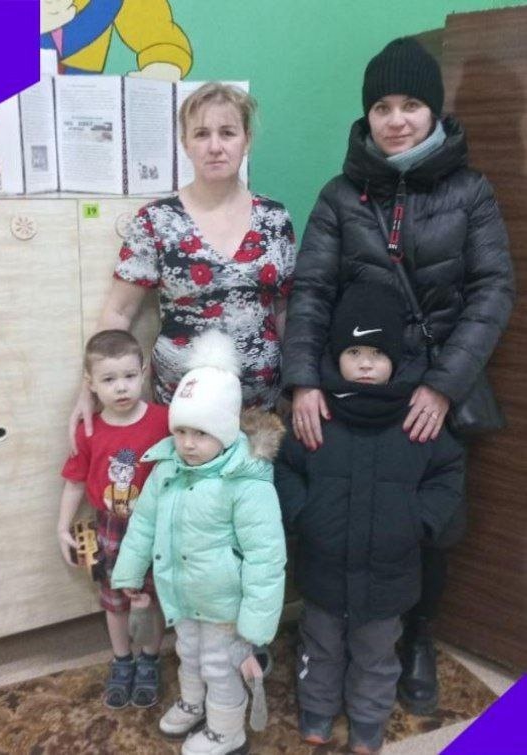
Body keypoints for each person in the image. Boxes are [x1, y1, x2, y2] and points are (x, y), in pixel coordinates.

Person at [282, 37, 514, 715]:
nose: (396, 119)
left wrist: (443, 383)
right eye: (382, 106)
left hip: (431, 388)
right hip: (354, 386)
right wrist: (303, 380)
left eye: (410, 104)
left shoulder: (471, 191)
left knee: (426, 522)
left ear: (433, 110)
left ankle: (416, 637)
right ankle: (326, 637)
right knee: (343, 510)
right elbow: (312, 292)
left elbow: (493, 291)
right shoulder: (339, 195)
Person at [276, 282, 465, 753]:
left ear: (395, 358)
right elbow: (285, 468)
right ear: (336, 354)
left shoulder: (417, 417)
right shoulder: (315, 414)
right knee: (319, 646)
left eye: (377, 353)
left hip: (390, 574)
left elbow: (447, 471)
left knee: (377, 654)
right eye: (354, 351)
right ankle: (317, 708)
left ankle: (368, 719)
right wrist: (302, 514)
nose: (365, 363)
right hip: (323, 567)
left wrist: (420, 521)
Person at [69, 82, 296, 449]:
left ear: (246, 140)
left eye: (227, 132)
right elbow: (119, 312)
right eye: (201, 134)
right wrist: (89, 388)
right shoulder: (156, 220)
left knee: (253, 487)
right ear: (185, 143)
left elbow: (285, 310)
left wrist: (298, 386)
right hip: (184, 413)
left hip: (259, 411)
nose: (215, 146)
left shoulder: (274, 218)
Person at [111, 330, 286, 755]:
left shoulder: (246, 481)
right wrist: (129, 571)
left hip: (226, 605)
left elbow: (266, 557)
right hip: (183, 593)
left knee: (220, 666)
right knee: (188, 652)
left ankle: (227, 731)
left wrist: (256, 625)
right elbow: (144, 523)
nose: (188, 444)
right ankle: (194, 704)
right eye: (182, 431)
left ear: (225, 431)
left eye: (201, 433)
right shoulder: (168, 468)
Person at [58, 330, 169, 710]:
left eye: (129, 376)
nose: (121, 387)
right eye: (108, 379)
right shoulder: (88, 430)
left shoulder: (165, 421)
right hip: (110, 528)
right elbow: (74, 482)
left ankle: (150, 659)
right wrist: (62, 527)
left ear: (144, 371)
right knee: (114, 600)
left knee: (151, 598)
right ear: (90, 383)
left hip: (154, 527)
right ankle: (122, 660)